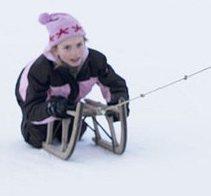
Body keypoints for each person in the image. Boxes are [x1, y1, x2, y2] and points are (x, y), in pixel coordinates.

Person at [15, 12, 130, 148]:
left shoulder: (95, 61)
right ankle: (40, 123)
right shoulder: (40, 70)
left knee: (73, 133)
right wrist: (50, 108)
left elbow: (114, 85)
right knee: (37, 138)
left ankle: (66, 116)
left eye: (79, 45)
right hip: (36, 102)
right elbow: (31, 109)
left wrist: (116, 104)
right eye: (67, 47)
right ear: (55, 49)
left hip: (69, 101)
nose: (75, 53)